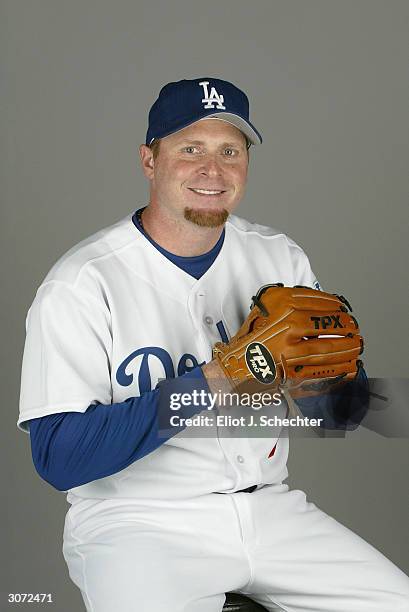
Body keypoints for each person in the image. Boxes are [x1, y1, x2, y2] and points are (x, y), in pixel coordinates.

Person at [18, 78, 409, 611]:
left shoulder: (279, 257)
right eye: (191, 149)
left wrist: (333, 385)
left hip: (270, 510)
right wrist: (216, 378)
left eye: (230, 150)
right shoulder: (84, 282)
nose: (213, 169)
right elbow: (59, 457)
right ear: (149, 161)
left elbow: (333, 415)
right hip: (138, 524)